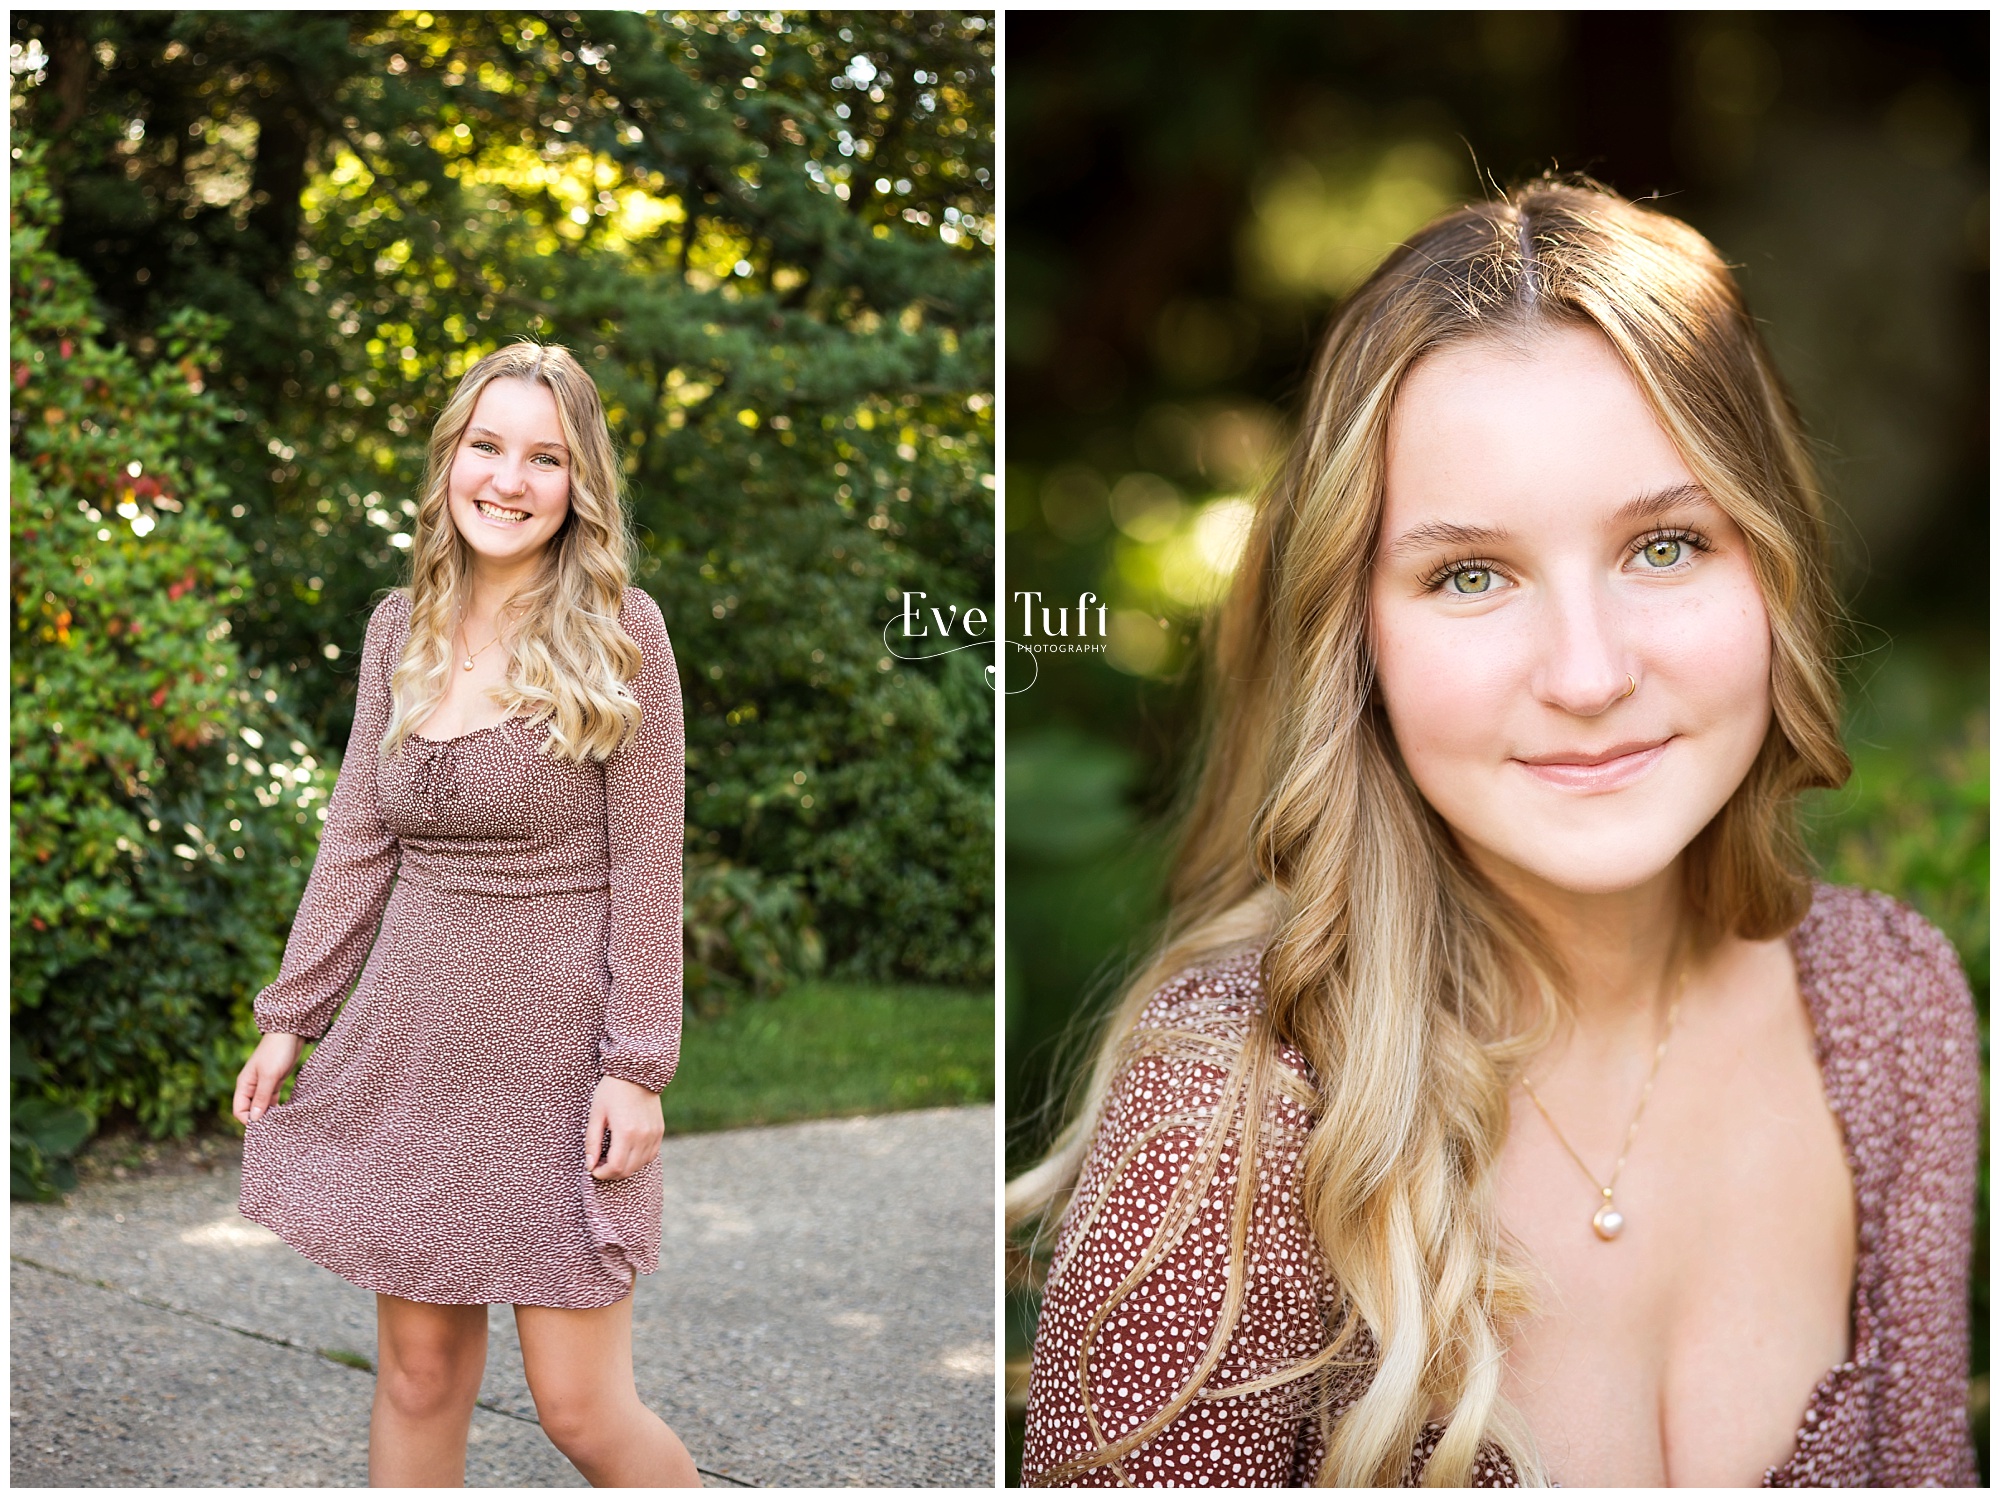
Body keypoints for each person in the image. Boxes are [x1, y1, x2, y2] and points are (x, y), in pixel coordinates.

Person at [1010, 183, 1980, 1486]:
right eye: (1470, 574)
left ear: (1772, 562)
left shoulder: (1891, 1007)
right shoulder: (1230, 1114)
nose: (1587, 673)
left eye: (1665, 545)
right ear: (1356, 635)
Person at [232, 341, 700, 1487]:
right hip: (414, 1049)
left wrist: (636, 1066)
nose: (509, 478)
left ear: (578, 484)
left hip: (557, 1062)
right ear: (450, 460)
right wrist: (292, 1015)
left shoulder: (623, 631)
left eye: (544, 457)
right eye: (487, 446)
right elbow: (356, 836)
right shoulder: (399, 627)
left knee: (580, 1408)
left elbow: (649, 868)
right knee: (418, 1374)